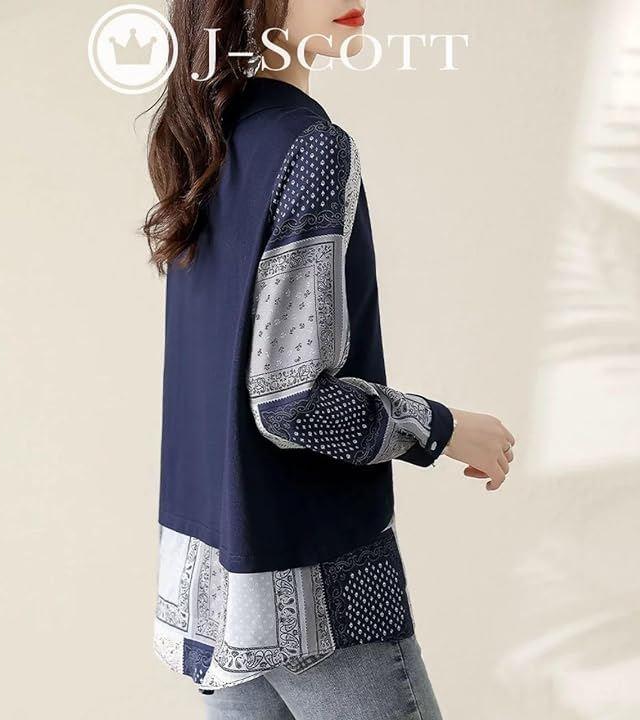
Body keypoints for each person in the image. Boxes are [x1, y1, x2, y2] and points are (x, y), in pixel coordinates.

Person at [144, 2, 516, 718]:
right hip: (318, 584)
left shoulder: (207, 145)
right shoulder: (311, 147)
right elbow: (291, 404)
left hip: (214, 587)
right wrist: (444, 428)